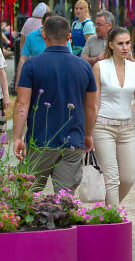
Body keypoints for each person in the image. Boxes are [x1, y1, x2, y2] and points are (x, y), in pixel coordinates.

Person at [13, 16, 97, 192]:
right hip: (73, 140)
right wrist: (88, 135)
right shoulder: (84, 67)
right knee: (65, 198)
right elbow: (91, 107)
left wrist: (17, 137)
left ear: (44, 35)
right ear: (69, 37)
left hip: (39, 139)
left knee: (28, 195)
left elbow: (22, 103)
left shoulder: (31, 65)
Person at [92, 27, 135, 206]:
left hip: (126, 129)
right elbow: (94, 103)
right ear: (111, 45)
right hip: (102, 127)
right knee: (112, 178)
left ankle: (105, 213)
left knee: (128, 178)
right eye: (120, 43)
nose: (125, 47)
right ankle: (113, 223)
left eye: (128, 43)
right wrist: (87, 132)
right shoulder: (100, 67)